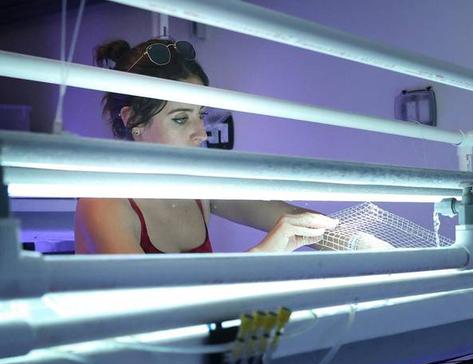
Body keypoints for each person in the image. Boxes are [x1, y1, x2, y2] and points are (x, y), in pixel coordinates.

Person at [74, 38, 339, 254]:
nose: (201, 133)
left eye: (200, 115)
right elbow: (151, 303)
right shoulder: (104, 200)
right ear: (132, 119)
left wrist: (358, 242)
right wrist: (263, 254)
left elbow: (293, 218)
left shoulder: (199, 188)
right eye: (180, 119)